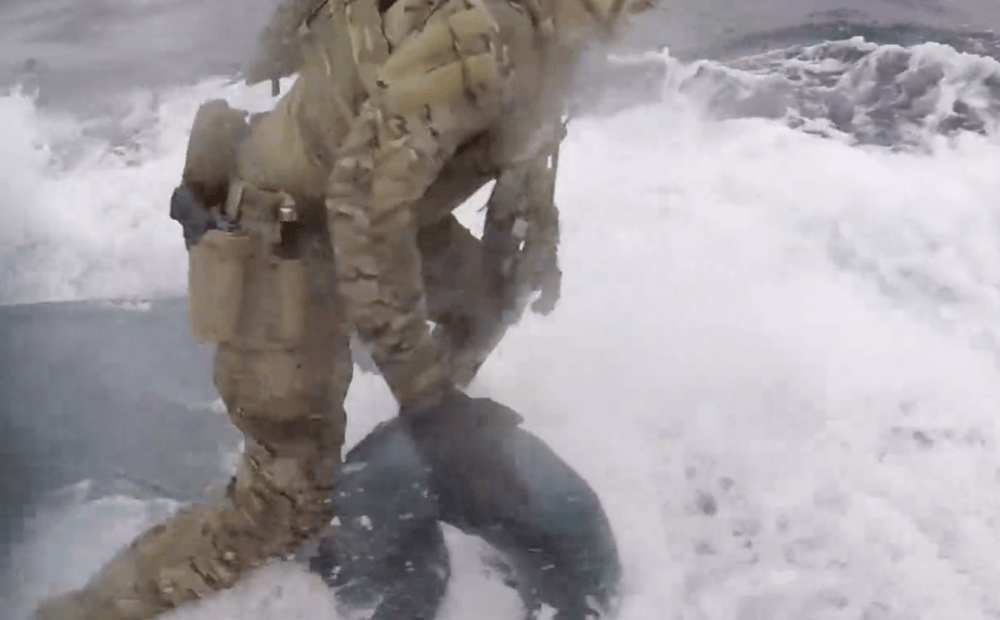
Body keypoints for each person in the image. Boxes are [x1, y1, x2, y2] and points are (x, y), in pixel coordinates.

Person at [32, 0, 654, 619]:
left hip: (377, 208)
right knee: (277, 510)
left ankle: (406, 456)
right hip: (282, 231)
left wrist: (533, 236)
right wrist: (429, 403)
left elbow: (527, 143)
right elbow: (359, 204)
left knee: (491, 296)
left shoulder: (554, 32)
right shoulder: (484, 42)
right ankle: (81, 612)